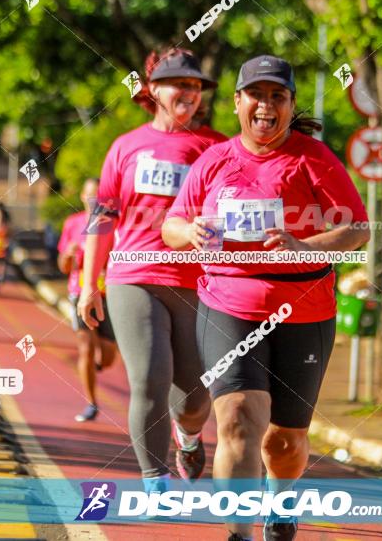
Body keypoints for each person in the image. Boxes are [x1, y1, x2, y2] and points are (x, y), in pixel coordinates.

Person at [162, 55, 370, 541]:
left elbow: (357, 228)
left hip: (305, 311)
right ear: (238, 102)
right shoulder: (214, 160)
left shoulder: (314, 159)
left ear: (291, 105)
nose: (266, 105)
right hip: (227, 305)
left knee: (284, 441)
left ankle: (282, 503)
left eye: (278, 96)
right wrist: (188, 231)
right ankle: (240, 533)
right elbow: (171, 224)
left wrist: (303, 246)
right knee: (237, 420)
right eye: (257, 94)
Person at [77, 48, 227, 491]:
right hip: (133, 276)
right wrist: (90, 286)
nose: (189, 92)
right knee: (149, 377)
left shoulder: (217, 148)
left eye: (195, 86)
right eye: (179, 84)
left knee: (196, 396)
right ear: (152, 91)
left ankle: (190, 434)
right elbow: (102, 219)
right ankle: (153, 479)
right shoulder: (126, 147)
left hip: (198, 282)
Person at [57, 178, 118, 422]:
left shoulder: (113, 224)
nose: (94, 201)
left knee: (108, 355)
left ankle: (95, 367)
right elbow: (63, 266)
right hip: (80, 293)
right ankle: (91, 403)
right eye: (90, 195)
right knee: (86, 348)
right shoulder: (73, 224)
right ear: (82, 196)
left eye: (98, 196)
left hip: (108, 295)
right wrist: (68, 254)